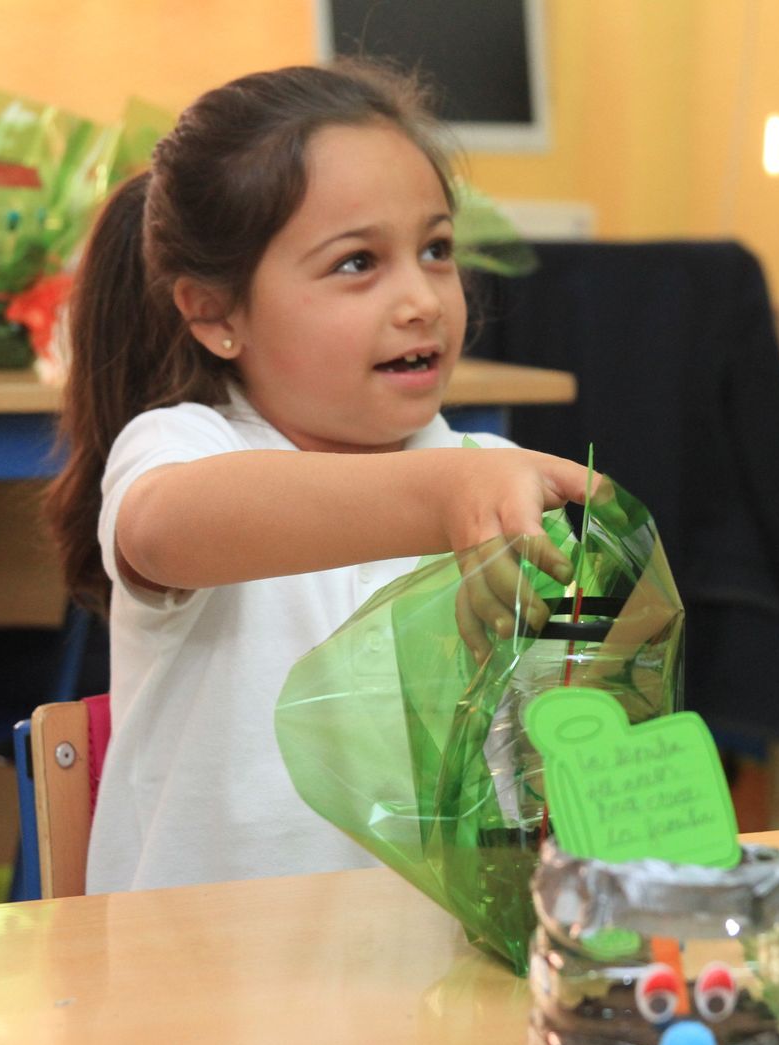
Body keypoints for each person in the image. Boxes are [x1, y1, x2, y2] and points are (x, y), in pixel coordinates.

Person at [45, 62, 593, 893]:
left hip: (433, 985)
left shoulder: (485, 475)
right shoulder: (180, 446)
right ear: (214, 313)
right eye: (356, 263)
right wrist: (444, 496)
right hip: (197, 996)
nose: (422, 300)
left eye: (436, 250)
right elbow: (165, 526)